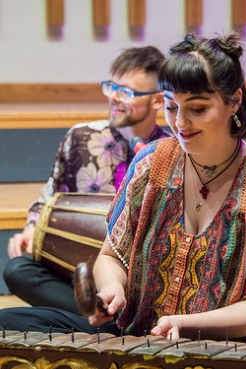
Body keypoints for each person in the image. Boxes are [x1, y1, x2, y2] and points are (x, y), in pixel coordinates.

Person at [0, 34, 246, 341]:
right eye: (171, 107)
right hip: (136, 335)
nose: (181, 123)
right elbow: (111, 257)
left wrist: (184, 323)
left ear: (234, 101)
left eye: (197, 108)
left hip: (224, 348)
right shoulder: (152, 162)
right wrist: (112, 289)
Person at [3, 46, 169, 315]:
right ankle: (103, 316)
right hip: (77, 268)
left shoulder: (169, 150)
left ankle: (103, 315)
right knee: (18, 271)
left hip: (135, 278)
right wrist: (32, 228)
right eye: (111, 87)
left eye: (126, 92)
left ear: (158, 101)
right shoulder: (80, 138)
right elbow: (50, 196)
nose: (114, 98)